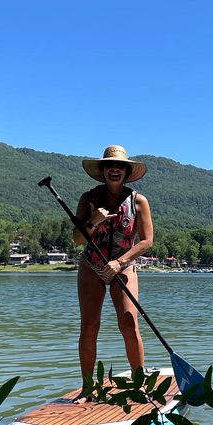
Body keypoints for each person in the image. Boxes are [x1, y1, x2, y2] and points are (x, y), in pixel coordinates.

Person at [74, 144, 154, 381]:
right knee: (89, 327)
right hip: (91, 266)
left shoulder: (138, 201)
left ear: (127, 172)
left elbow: (147, 241)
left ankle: (140, 386)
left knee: (129, 324)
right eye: (110, 165)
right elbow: (78, 238)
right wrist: (93, 221)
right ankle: (88, 388)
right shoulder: (88, 198)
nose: (115, 169)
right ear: (103, 170)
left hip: (124, 267)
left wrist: (120, 262)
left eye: (120, 166)